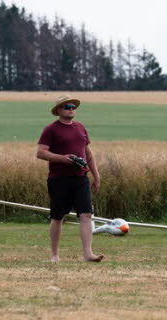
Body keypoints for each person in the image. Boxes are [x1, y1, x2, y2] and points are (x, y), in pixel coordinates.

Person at [36, 95, 104, 263]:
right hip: (59, 179)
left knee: (86, 214)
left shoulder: (80, 128)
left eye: (73, 106)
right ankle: (54, 254)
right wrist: (63, 158)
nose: (71, 109)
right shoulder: (51, 129)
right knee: (58, 217)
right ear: (59, 110)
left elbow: (88, 153)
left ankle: (88, 254)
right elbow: (41, 153)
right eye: (67, 106)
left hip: (81, 178)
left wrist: (96, 175)